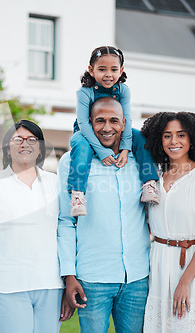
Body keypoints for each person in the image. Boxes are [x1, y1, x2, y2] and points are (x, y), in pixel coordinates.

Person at [0, 120, 74, 333]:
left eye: (31, 140)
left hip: (51, 286)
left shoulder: (55, 184)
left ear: (40, 148)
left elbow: (65, 233)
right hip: (6, 287)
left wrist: (66, 283)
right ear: (8, 146)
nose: (24, 144)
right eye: (18, 139)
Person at [58, 97, 151, 333]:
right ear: (88, 123)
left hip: (137, 278)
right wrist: (69, 275)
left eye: (113, 121)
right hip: (92, 278)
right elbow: (66, 221)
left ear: (124, 123)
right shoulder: (71, 162)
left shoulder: (139, 160)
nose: (107, 128)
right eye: (99, 121)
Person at [140, 112, 195, 332]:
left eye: (181, 135)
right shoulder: (154, 178)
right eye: (167, 135)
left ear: (192, 139)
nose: (173, 141)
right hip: (158, 266)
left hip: (190, 269)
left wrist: (185, 281)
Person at [68, 45, 159, 217]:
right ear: (91, 70)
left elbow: (127, 119)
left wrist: (125, 148)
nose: (108, 74)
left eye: (114, 69)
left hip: (116, 129)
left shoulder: (123, 90)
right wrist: (101, 151)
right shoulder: (85, 92)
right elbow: (83, 124)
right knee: (80, 145)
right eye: (102, 69)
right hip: (87, 129)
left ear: (121, 70)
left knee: (140, 137)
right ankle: (78, 194)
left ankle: (149, 182)